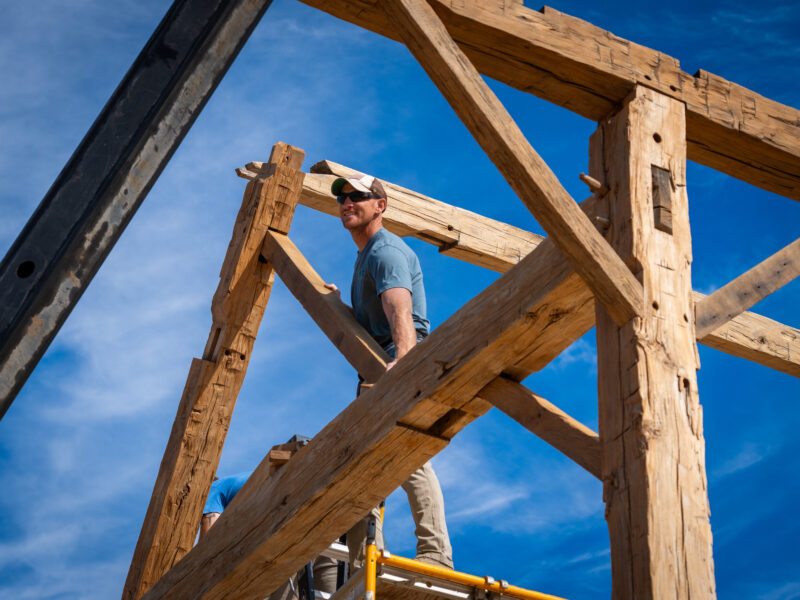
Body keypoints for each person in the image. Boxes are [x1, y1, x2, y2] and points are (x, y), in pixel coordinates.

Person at [324, 173, 453, 570]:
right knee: (364, 464)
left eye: (358, 196)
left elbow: (401, 309)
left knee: (408, 456)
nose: (347, 202)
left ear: (380, 205)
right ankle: (368, 560)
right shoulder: (365, 255)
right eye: (342, 197)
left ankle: (434, 553)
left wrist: (403, 363)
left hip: (393, 364)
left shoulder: (385, 251)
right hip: (377, 366)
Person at [200, 472, 338, 600]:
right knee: (335, 594)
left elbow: (207, 549)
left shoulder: (212, 490)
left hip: (293, 530)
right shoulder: (246, 480)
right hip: (326, 522)